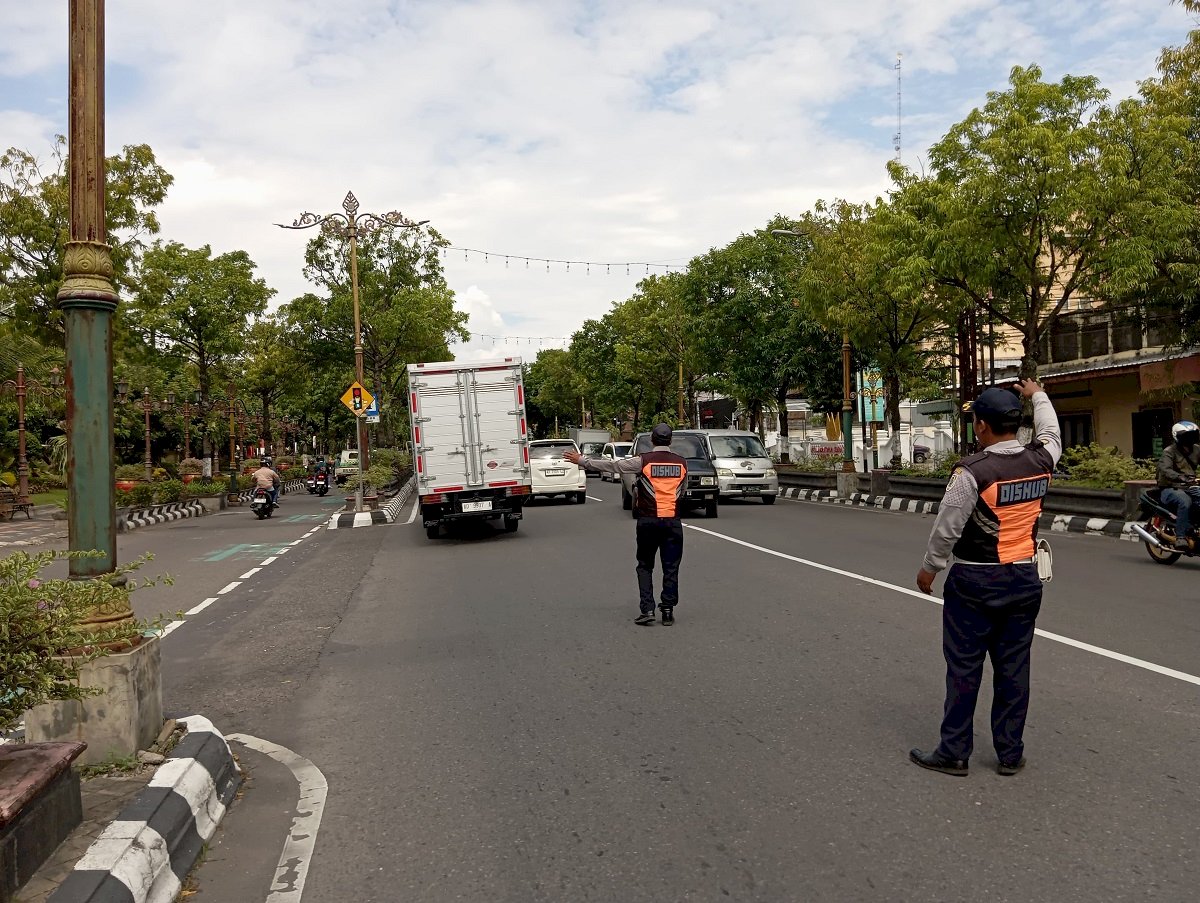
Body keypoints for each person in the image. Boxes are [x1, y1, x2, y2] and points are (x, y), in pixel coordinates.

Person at [911, 379, 1062, 777]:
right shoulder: (1043, 459)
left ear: (980, 425)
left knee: (964, 668)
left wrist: (930, 567)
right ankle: (1010, 753)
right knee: (1014, 669)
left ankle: (954, 752)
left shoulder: (972, 472)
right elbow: (1051, 431)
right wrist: (1038, 395)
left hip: (974, 582)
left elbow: (947, 528)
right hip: (1025, 579)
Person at [565, 423, 687, 626]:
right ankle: (667, 611)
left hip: (648, 521)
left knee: (645, 565)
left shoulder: (642, 461)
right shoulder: (682, 463)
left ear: (652, 440)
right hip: (672, 522)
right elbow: (682, 492)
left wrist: (583, 461)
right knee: (671, 567)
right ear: (671, 440)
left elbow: (614, 466)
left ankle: (647, 609)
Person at [1156, 421, 1200, 551]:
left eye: (1193, 435)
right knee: (1184, 501)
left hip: (1189, 486)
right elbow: (1165, 469)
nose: (1190, 438)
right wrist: (1179, 477)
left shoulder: (1197, 449)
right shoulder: (1169, 451)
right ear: (1177, 436)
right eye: (1187, 436)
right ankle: (1180, 537)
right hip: (1170, 487)